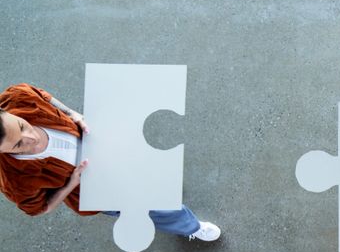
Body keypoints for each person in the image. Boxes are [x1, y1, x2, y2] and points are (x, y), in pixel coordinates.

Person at [0, 83, 220, 241]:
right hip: (98, 189)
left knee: (150, 169)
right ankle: (191, 227)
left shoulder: (17, 97)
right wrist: (71, 183)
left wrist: (72, 113)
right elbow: (41, 208)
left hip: (110, 149)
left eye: (21, 126)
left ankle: (165, 188)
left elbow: (43, 96)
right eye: (18, 145)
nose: (31, 138)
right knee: (155, 207)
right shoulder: (13, 180)